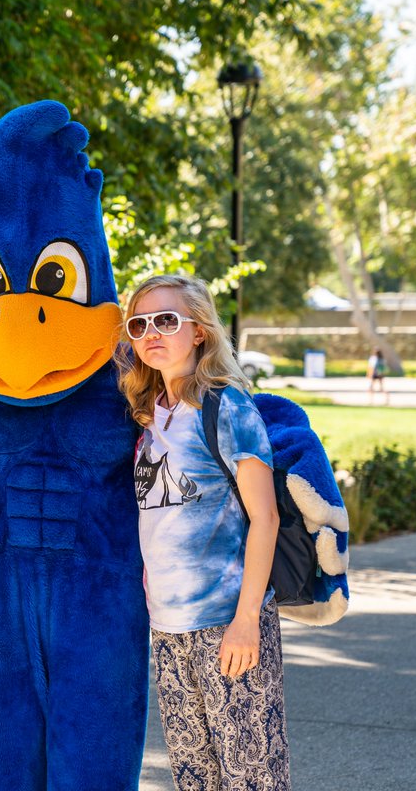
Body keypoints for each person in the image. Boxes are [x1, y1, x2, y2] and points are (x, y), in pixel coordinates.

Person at [117, 275, 288, 791]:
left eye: (167, 320)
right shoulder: (147, 417)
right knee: (196, 778)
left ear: (198, 332)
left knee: (251, 778)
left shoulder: (226, 407)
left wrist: (246, 621)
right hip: (168, 629)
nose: (152, 333)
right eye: (139, 324)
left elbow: (267, 518)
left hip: (226, 623)